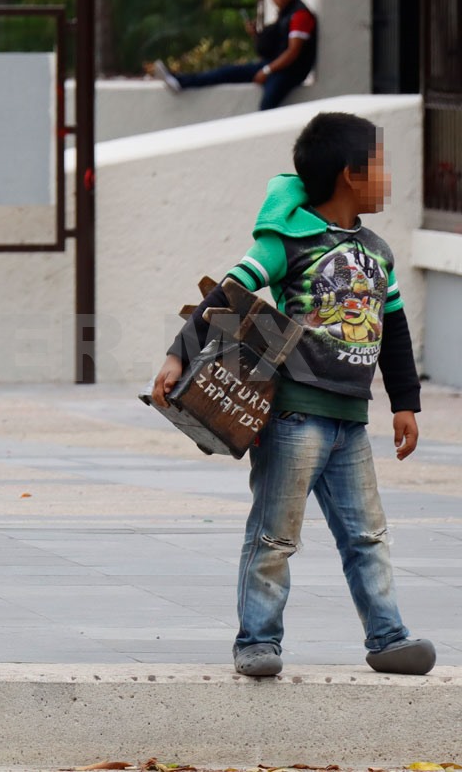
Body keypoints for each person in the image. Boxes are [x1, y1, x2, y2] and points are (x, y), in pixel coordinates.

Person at [150, 112, 433, 677]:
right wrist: (179, 352)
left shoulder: (379, 251)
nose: (389, 177)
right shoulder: (287, 241)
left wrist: (406, 404)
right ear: (351, 174)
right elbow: (229, 293)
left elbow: (395, 330)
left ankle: (388, 637)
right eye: (381, 164)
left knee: (367, 536)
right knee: (274, 534)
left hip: (351, 421)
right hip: (294, 418)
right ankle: (257, 641)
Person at [153, 0, 317, 111]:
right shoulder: (285, 14)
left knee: (267, 105)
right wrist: (256, 36)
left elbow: (293, 51)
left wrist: (267, 70)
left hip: (288, 72)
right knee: (225, 73)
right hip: (274, 66)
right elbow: (276, 44)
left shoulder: (300, 15)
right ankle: (179, 80)